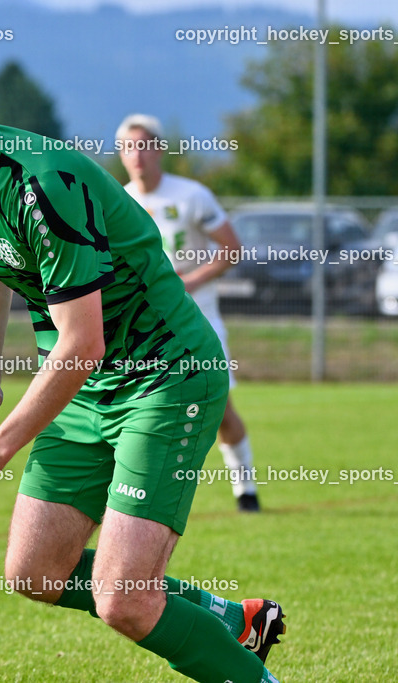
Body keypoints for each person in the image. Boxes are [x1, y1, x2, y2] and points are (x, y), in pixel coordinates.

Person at [0, 17, 285, 683]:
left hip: (164, 376)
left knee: (123, 599)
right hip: (86, 390)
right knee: (34, 571)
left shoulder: (42, 182)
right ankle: (227, 618)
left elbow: (82, 343)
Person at [117, 114, 262, 512]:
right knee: (143, 410)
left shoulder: (191, 195)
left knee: (220, 413)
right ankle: (139, 498)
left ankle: (245, 489)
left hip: (200, 322)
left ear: (160, 149)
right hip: (148, 329)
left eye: (144, 145)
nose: (137, 155)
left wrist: (190, 281)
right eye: (129, 147)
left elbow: (231, 249)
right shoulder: (122, 200)